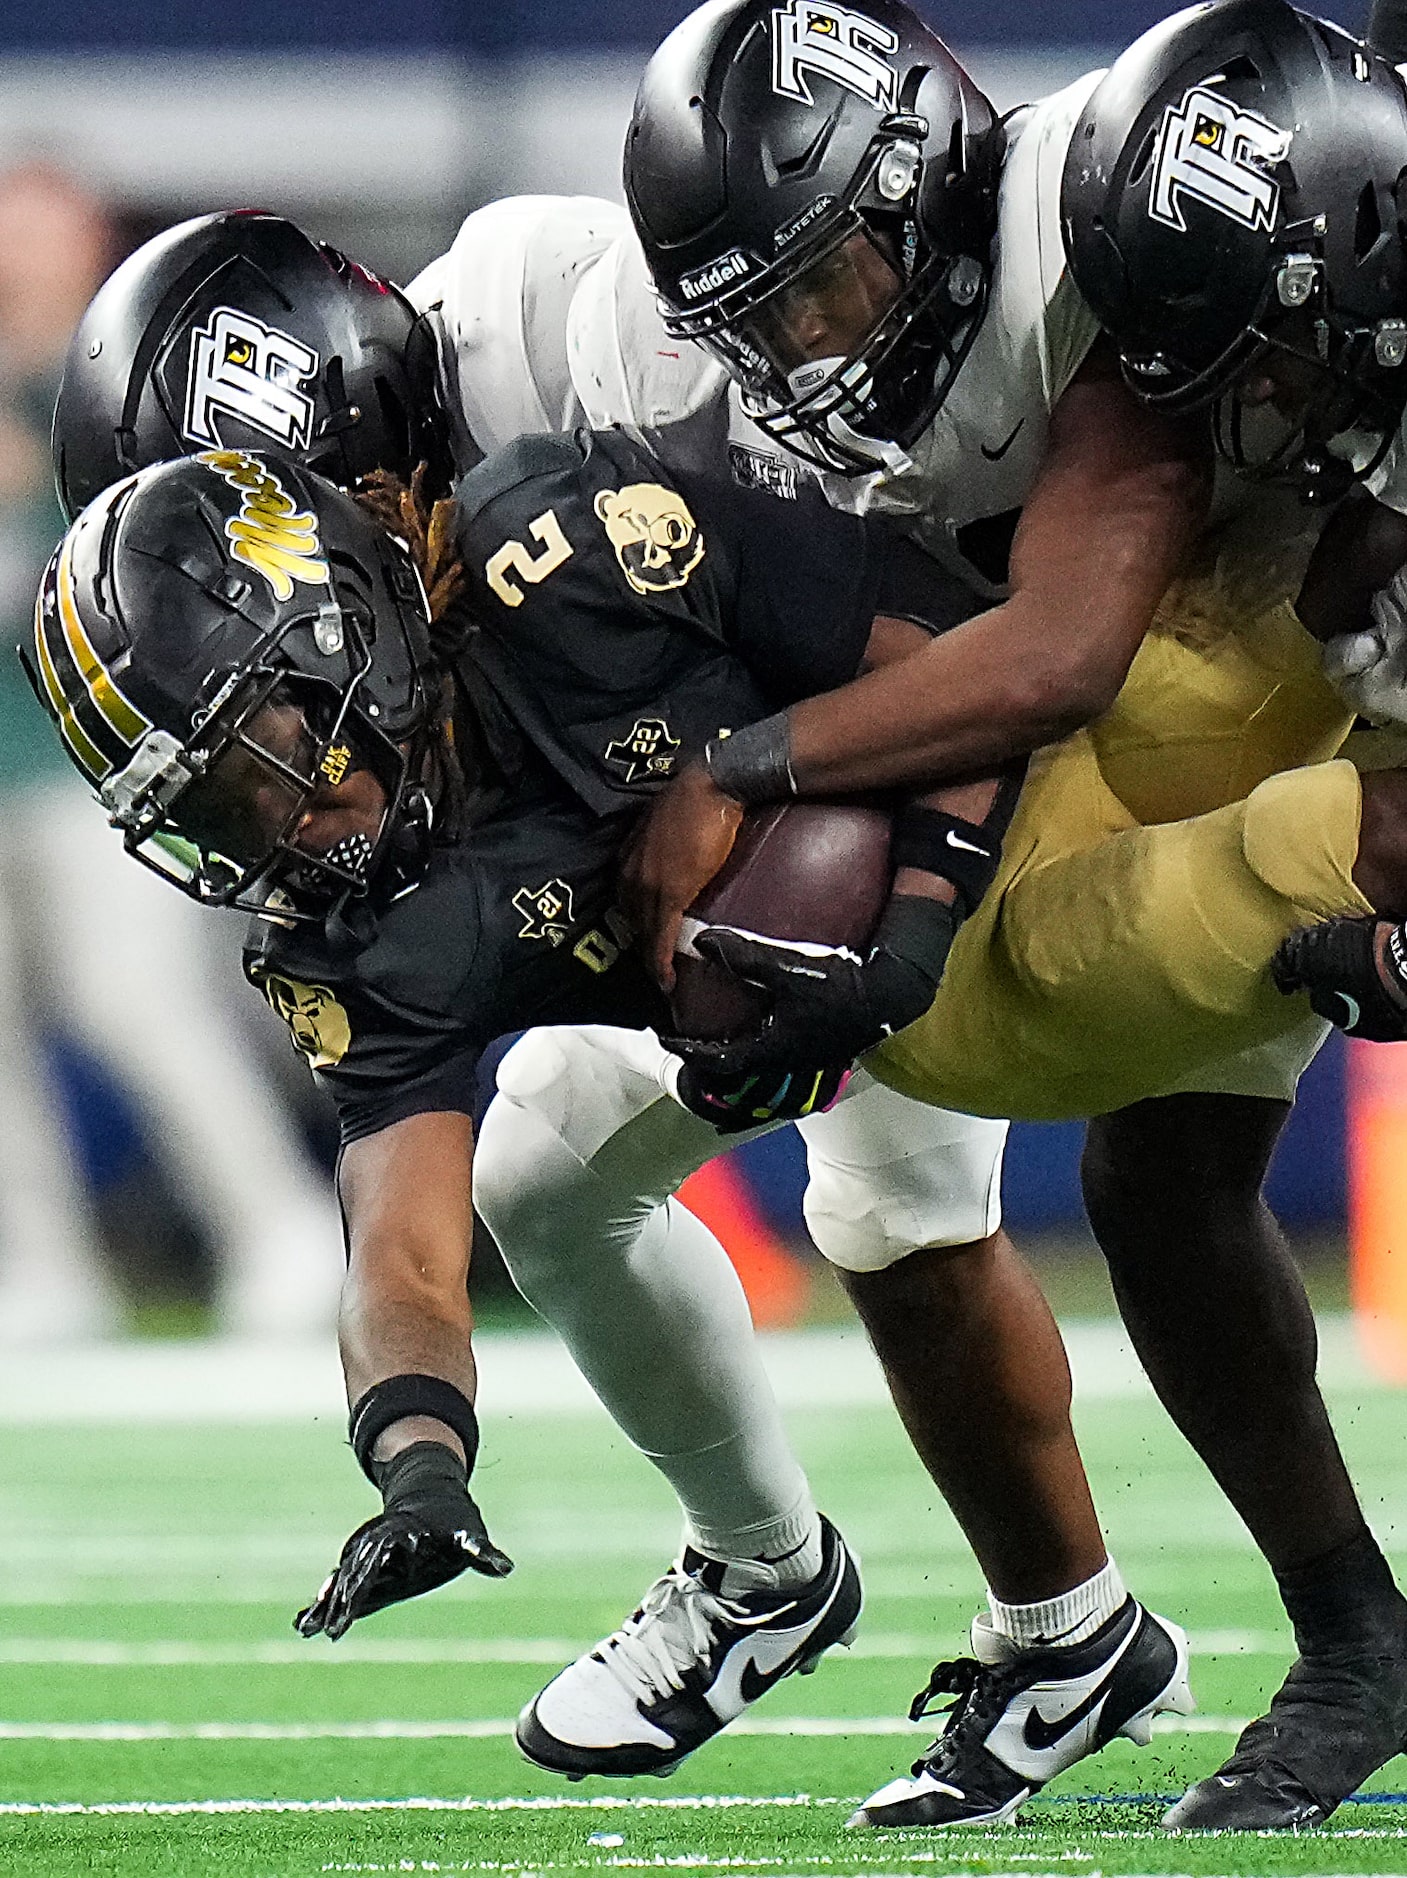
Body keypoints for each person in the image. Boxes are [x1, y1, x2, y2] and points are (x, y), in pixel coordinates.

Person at [54, 204, 1187, 1813]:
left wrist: (861, 869)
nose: (268, 831)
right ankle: (765, 1573)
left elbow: (951, 628)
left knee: (882, 1167)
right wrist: (418, 1454)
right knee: (535, 1171)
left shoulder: (573, 413)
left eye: (264, 766)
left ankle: (1074, 1630)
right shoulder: (353, 872)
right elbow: (402, 1239)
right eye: (217, 802)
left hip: (911, 756)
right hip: (695, 870)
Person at [607, 0, 1407, 1833]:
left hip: (1307, 648)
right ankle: (1360, 1638)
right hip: (1282, 628)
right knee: (1158, 1179)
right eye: (767, 315)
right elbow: (1024, 643)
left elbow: (1058, 644)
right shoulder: (1122, 237)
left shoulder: (1166, 233)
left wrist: (751, 763)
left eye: (825, 288)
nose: (810, 348)